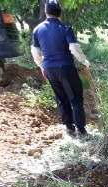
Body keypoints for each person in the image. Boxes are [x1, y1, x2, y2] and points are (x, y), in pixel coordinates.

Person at [31, 0, 90, 138]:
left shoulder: (37, 29)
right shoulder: (65, 28)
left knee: (61, 98)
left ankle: (69, 129)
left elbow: (36, 52)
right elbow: (74, 48)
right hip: (65, 67)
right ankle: (81, 130)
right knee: (75, 98)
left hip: (50, 69)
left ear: (46, 12)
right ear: (60, 13)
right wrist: (84, 61)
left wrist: (41, 66)